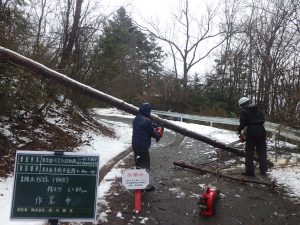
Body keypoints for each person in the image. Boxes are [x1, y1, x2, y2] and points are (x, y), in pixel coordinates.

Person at [132, 103, 162, 191]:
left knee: (138, 164)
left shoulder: (136, 118)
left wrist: (153, 125)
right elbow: (152, 133)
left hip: (135, 146)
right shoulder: (147, 121)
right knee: (145, 166)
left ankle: (137, 185)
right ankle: (143, 187)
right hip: (143, 147)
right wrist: (158, 136)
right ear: (148, 111)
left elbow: (145, 126)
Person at [237, 97, 267, 177]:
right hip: (262, 131)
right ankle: (264, 170)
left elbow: (242, 123)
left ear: (243, 104)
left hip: (252, 133)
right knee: (262, 152)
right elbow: (263, 120)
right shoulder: (258, 110)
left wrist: (239, 131)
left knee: (249, 153)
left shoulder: (244, 112)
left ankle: (250, 172)